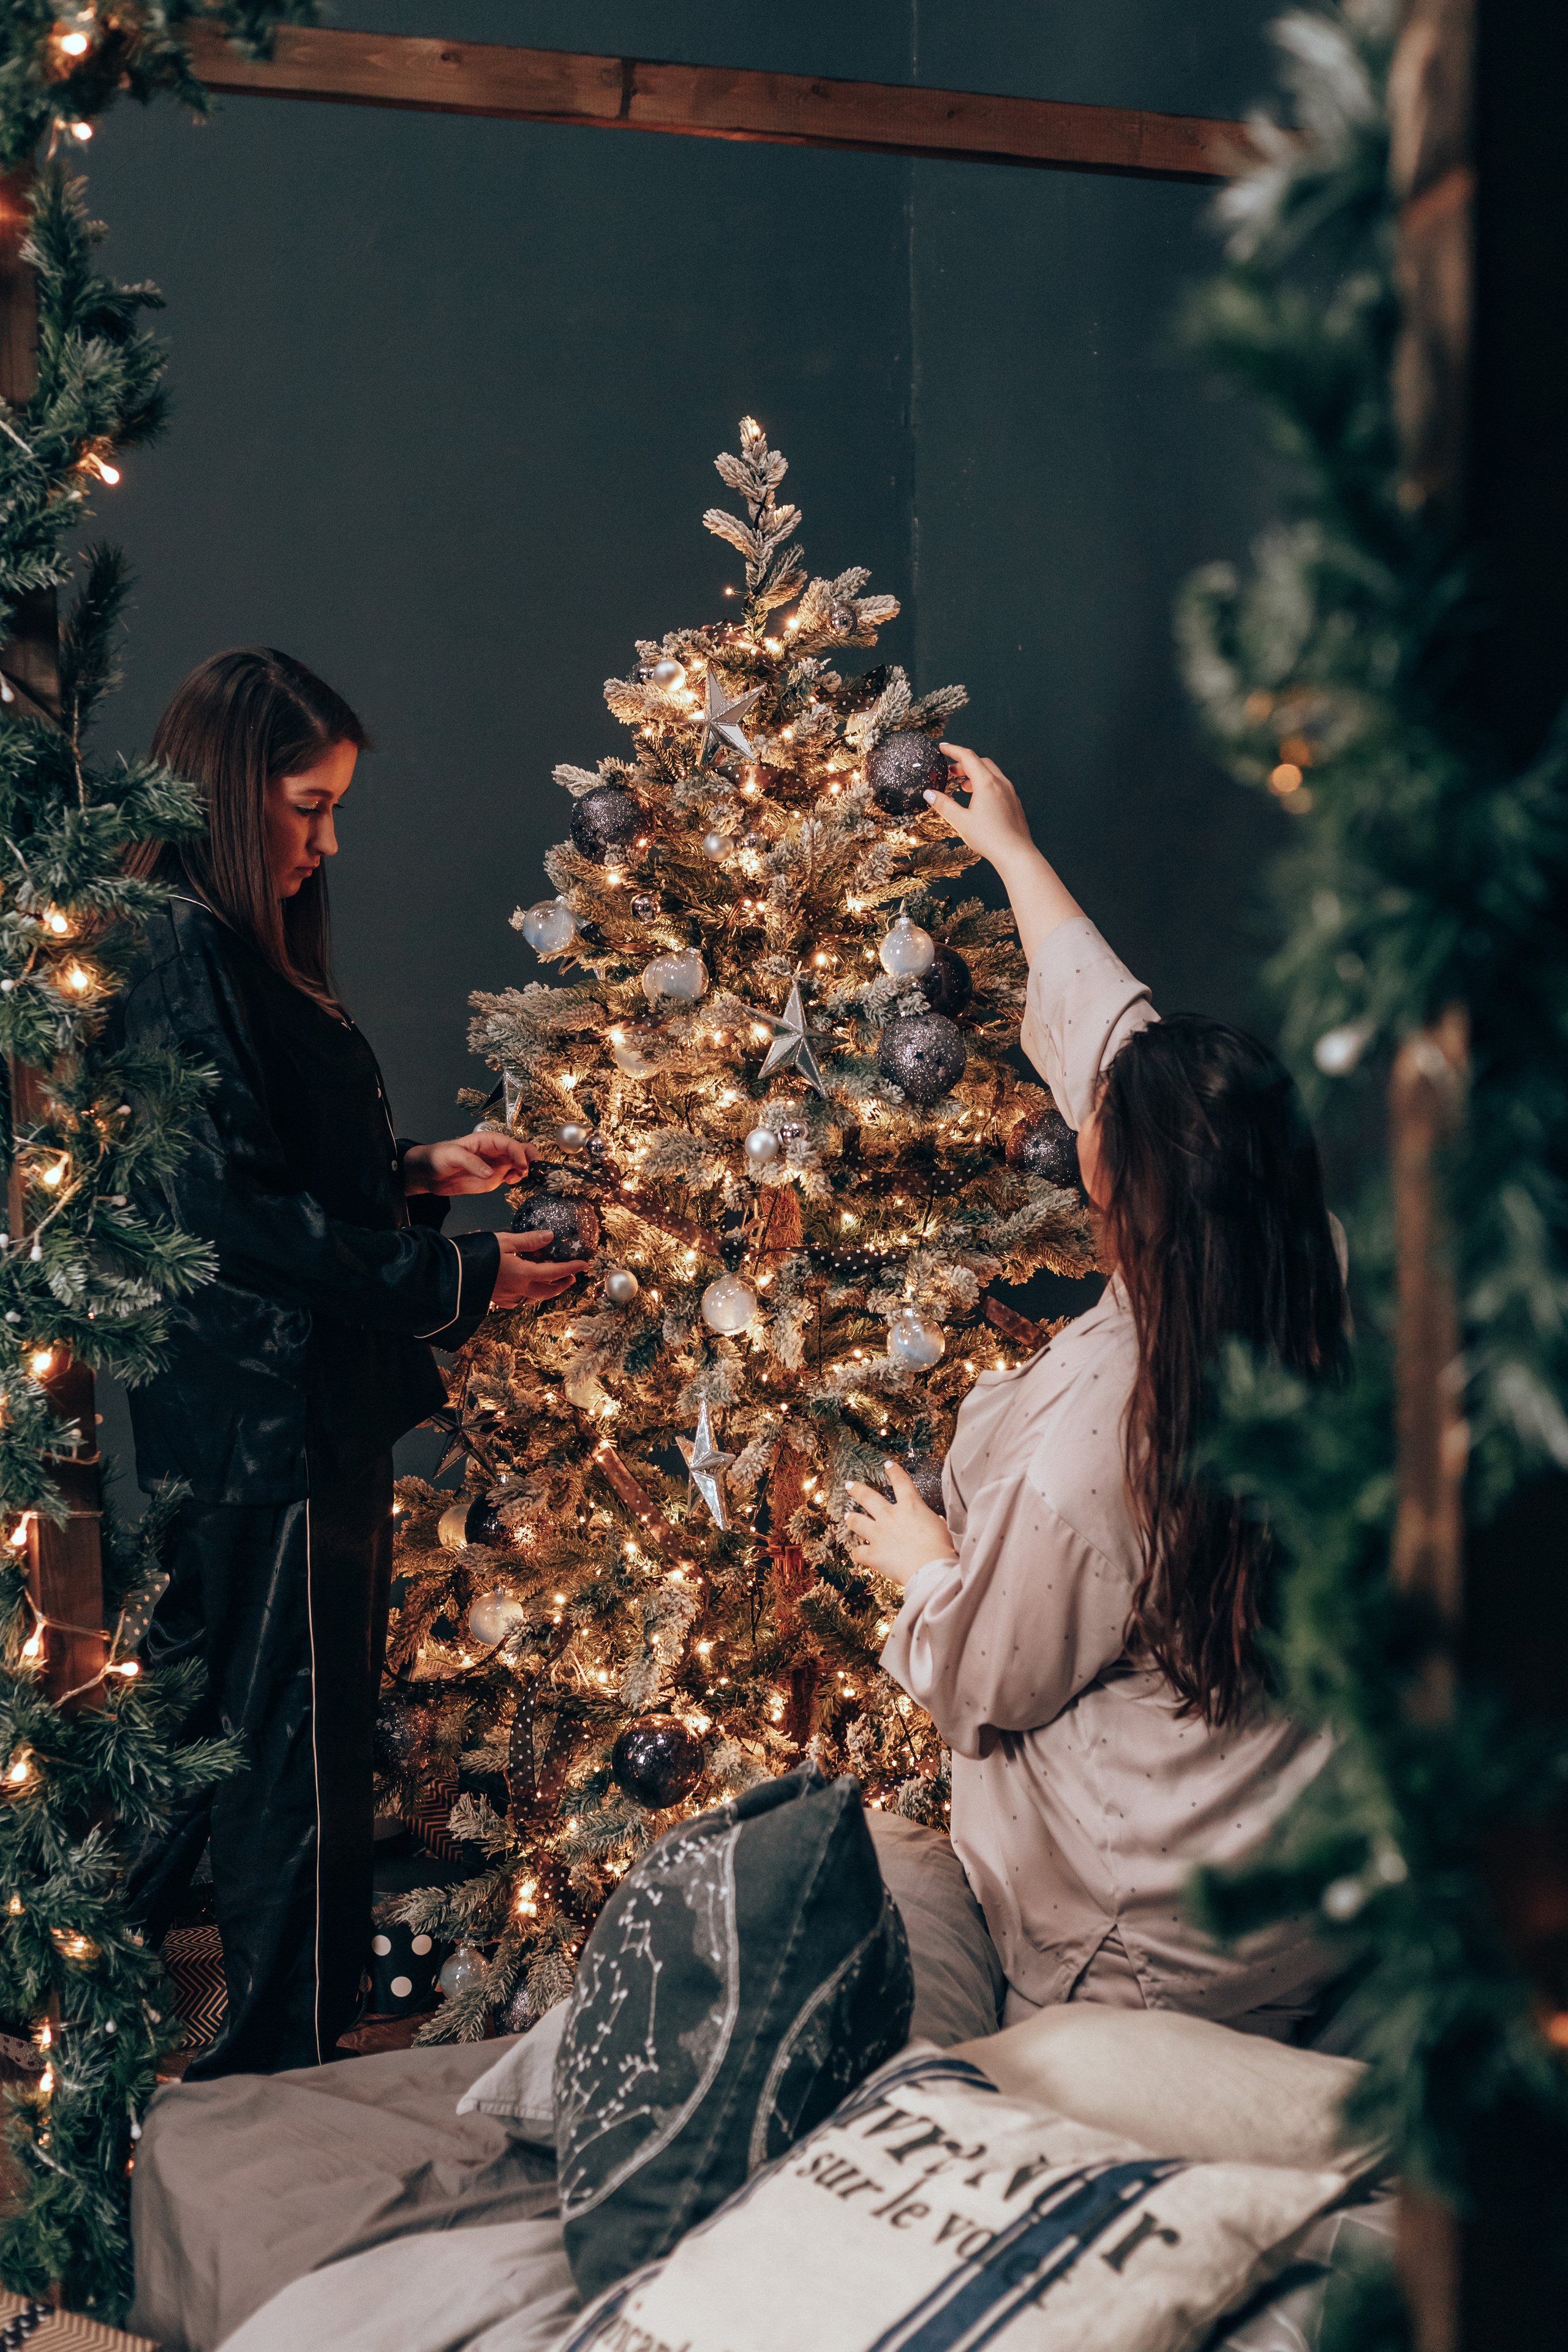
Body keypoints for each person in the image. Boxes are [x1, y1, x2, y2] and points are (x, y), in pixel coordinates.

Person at [111, 647, 589, 2076]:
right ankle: (279, 2045)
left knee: (214, 1721)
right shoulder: (184, 945)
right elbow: (230, 1218)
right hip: (270, 1417)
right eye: (308, 807)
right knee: (290, 1749)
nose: (327, 842)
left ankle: (120, 2000)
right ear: (229, 792)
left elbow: (265, 1179)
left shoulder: (213, 942)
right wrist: (461, 1277)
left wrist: (417, 1174)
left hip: (264, 1411)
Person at [847, 742, 1349, 2038]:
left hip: (1144, 1946)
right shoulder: (1312, 1272)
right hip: (1298, 1895)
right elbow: (1112, 1037)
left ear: (1119, 1191)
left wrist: (919, 1562)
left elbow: (988, 1680)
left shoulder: (1099, 1453)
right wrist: (1009, 849)